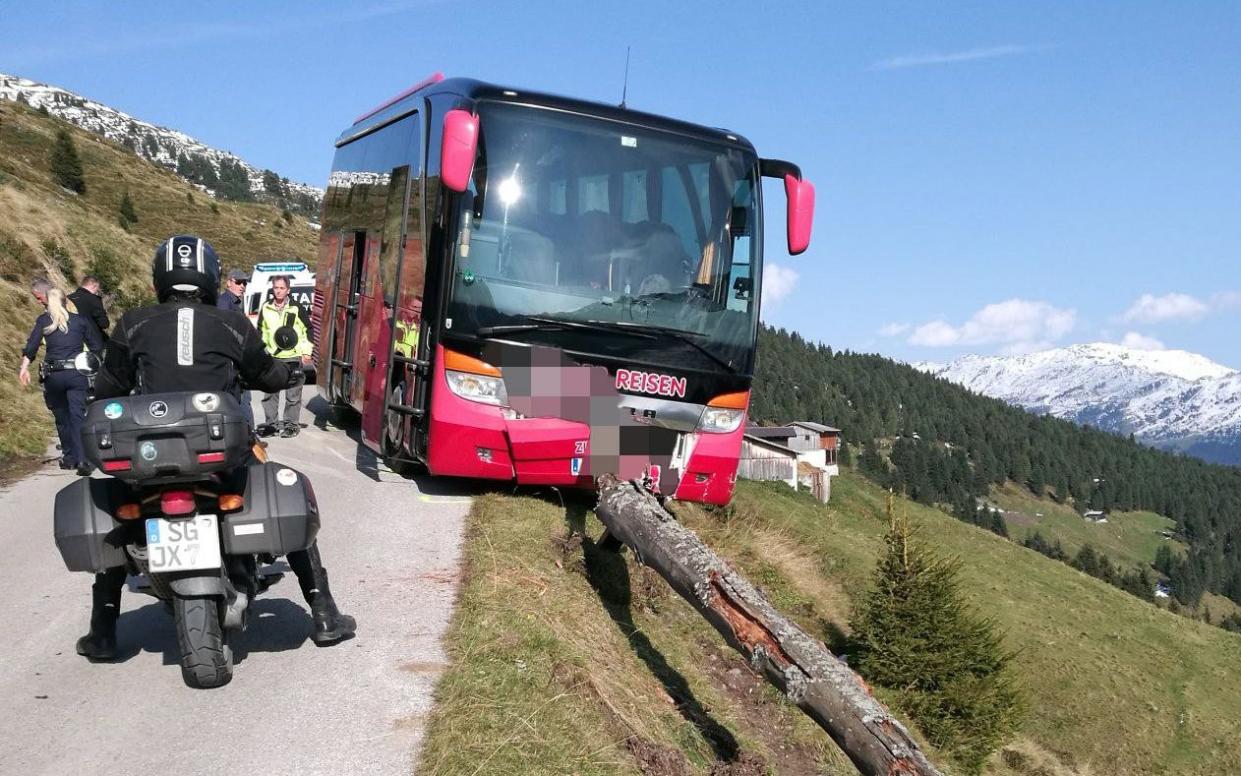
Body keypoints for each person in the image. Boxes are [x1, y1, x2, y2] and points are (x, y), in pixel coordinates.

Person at [77, 235, 355, 660]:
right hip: (222, 449)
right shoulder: (231, 323)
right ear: (209, 275)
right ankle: (324, 613)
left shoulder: (132, 323)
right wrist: (290, 373)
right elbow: (269, 375)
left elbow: (109, 385)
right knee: (282, 493)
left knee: (120, 514)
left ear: (160, 277)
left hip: (148, 458)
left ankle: (102, 631)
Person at [19, 279, 104, 475]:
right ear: (66, 302)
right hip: (77, 373)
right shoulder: (81, 321)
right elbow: (97, 347)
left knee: (61, 417)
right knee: (77, 416)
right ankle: (83, 460)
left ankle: (69, 457)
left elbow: (31, 347)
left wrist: (23, 368)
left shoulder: (44, 321)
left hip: (53, 374)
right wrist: (93, 365)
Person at [257, 275, 312, 438]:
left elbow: (308, 330)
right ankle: (271, 425)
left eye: (282, 288)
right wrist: (262, 351)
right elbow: (260, 331)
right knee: (270, 393)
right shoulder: (266, 307)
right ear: (272, 289)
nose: (278, 291)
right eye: (276, 288)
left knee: (293, 394)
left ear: (288, 290)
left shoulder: (296, 308)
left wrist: (306, 351)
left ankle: (291, 425)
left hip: (293, 356)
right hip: (272, 357)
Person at [216, 268, 254, 427]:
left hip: (237, 364)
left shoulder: (234, 302)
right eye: (238, 282)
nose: (242, 285)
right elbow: (223, 334)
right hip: (230, 366)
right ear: (229, 283)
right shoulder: (225, 303)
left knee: (243, 402)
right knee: (239, 405)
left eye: (244, 282)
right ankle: (247, 438)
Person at [68, 274, 110, 342]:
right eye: (97, 289)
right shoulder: (94, 300)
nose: (97, 292)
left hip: (70, 337)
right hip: (89, 340)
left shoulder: (69, 298)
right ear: (94, 286)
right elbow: (104, 324)